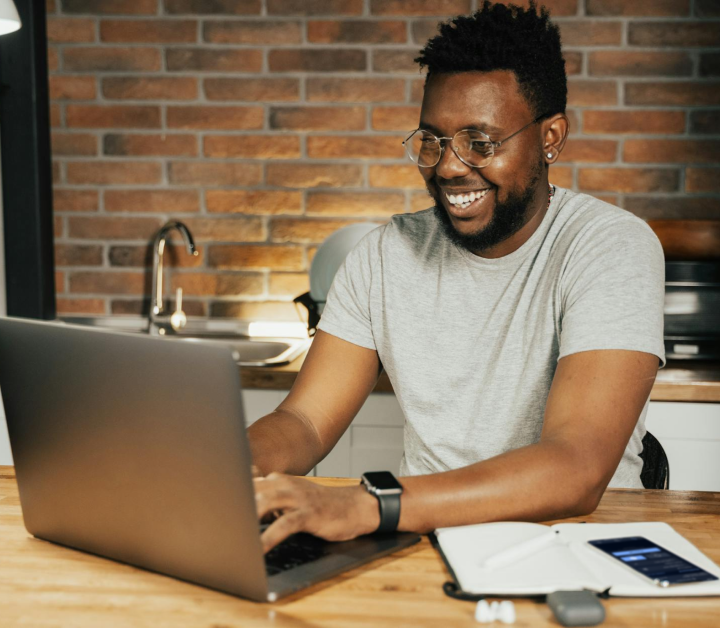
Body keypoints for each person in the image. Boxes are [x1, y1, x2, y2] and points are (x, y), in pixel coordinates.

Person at [247, 1, 665, 551]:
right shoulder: (383, 256)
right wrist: (220, 464)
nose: (447, 166)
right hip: (421, 540)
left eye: (480, 143)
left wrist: (371, 504)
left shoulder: (609, 246)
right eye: (433, 140)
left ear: (551, 138)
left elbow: (576, 469)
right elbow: (303, 421)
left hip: (577, 545)